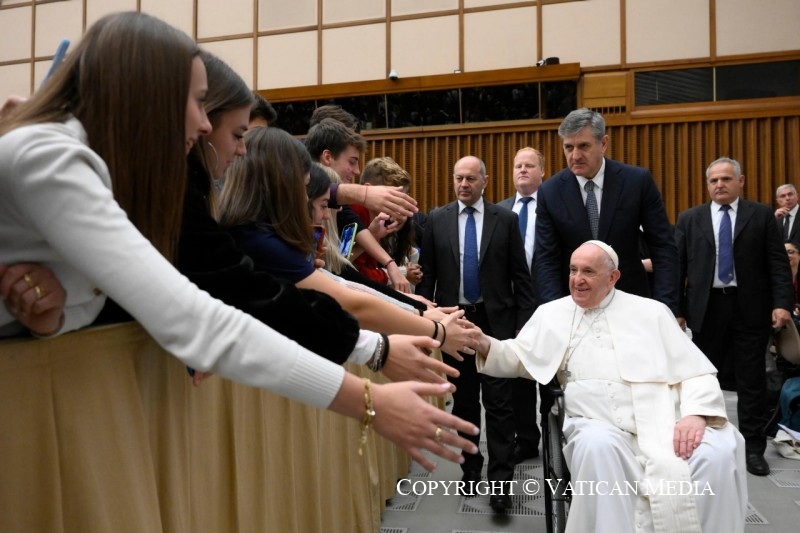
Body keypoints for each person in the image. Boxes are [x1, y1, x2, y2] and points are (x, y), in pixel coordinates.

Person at [0, 11, 478, 471]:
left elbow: (106, 296)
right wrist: (369, 397)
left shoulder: (96, 168)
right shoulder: (52, 158)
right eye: (196, 101)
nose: (204, 123)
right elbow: (191, 318)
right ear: (149, 97)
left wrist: (55, 314)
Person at [476, 241, 747, 533]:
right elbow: (518, 356)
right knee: (597, 447)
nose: (577, 279)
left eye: (588, 271)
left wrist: (696, 414)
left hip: (664, 417)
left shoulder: (652, 312)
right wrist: (482, 342)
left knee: (718, 451)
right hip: (596, 422)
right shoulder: (551, 314)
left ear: (612, 277)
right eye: (573, 270)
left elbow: (696, 370)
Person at [217, 126, 477, 357]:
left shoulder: (255, 232)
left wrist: (417, 312)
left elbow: (342, 283)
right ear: (280, 185)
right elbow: (352, 301)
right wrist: (432, 328)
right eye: (303, 189)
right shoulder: (260, 240)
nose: (307, 201)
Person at [417, 155, 536, 513]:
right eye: (458, 178)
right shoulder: (437, 220)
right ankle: (470, 470)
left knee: (500, 405)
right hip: (454, 322)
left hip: (495, 322)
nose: (464, 184)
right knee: (466, 402)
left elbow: (520, 276)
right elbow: (428, 276)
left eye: (470, 178)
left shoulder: (505, 220)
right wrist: (425, 320)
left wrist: (523, 324)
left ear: (485, 181)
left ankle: (501, 484)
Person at [676, 157, 794, 476]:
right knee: (704, 380)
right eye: (713, 180)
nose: (719, 185)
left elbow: (777, 263)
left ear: (740, 181)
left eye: (726, 179)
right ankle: (704, 444)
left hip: (750, 308)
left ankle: (753, 449)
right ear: (707, 185)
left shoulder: (760, 216)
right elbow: (677, 266)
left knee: (751, 381)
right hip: (706, 309)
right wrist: (676, 310)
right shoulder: (690, 219)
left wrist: (782, 303)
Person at [535, 108, 679, 314]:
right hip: (574, 307)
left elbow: (663, 248)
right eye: (568, 147)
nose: (575, 156)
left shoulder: (637, 182)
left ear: (603, 143)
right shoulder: (550, 192)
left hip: (632, 304)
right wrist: (556, 312)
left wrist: (666, 307)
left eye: (584, 146)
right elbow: (545, 259)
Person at [306, 118, 412, 292]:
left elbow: (340, 265)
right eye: (352, 161)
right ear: (327, 157)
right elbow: (343, 274)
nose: (357, 171)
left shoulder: (347, 210)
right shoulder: (353, 205)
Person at [497, 146, 544, 464]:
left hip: (547, 301)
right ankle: (526, 439)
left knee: (551, 376)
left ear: (542, 172)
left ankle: (559, 437)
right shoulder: (500, 212)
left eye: (529, 165)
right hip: (511, 306)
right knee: (517, 377)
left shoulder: (553, 208)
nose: (523, 170)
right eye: (518, 166)